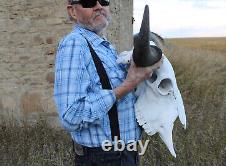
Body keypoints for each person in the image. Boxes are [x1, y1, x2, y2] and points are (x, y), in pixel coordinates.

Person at [54, 0, 162, 165]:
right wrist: (128, 85)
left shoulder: (104, 47)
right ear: (73, 12)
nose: (99, 6)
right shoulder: (75, 44)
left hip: (124, 155)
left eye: (104, 1)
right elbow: (71, 116)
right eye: (89, 2)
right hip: (104, 159)